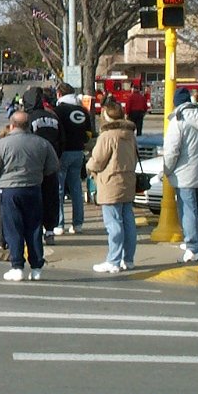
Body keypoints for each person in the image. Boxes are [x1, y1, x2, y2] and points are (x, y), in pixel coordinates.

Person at [0, 111, 59, 281]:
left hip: (9, 190)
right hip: (34, 188)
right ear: (29, 125)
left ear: (12, 125)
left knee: (13, 229)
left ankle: (17, 266)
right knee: (34, 228)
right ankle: (37, 267)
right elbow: (52, 167)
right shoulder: (42, 144)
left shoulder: (0, 145)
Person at [162, 87, 198, 262]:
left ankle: (193, 248)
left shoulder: (177, 121)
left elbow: (172, 151)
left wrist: (166, 171)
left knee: (188, 210)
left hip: (184, 173)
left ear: (176, 103)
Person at [86, 101, 138, 273]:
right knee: (128, 221)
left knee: (113, 222)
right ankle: (128, 259)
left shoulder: (107, 136)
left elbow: (97, 161)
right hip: (128, 179)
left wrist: (89, 166)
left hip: (110, 182)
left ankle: (113, 260)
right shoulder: (130, 134)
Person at [23, 86, 64, 244]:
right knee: (51, 197)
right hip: (52, 164)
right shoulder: (53, 116)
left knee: (34, 198)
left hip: (33, 165)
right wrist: (57, 157)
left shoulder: (28, 119)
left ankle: (35, 230)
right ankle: (50, 230)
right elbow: (62, 139)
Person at [54, 83, 91, 237]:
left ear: (59, 94)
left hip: (63, 153)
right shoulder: (82, 111)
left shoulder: (58, 111)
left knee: (59, 190)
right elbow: (89, 133)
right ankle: (78, 224)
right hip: (78, 152)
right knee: (76, 189)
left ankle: (59, 224)